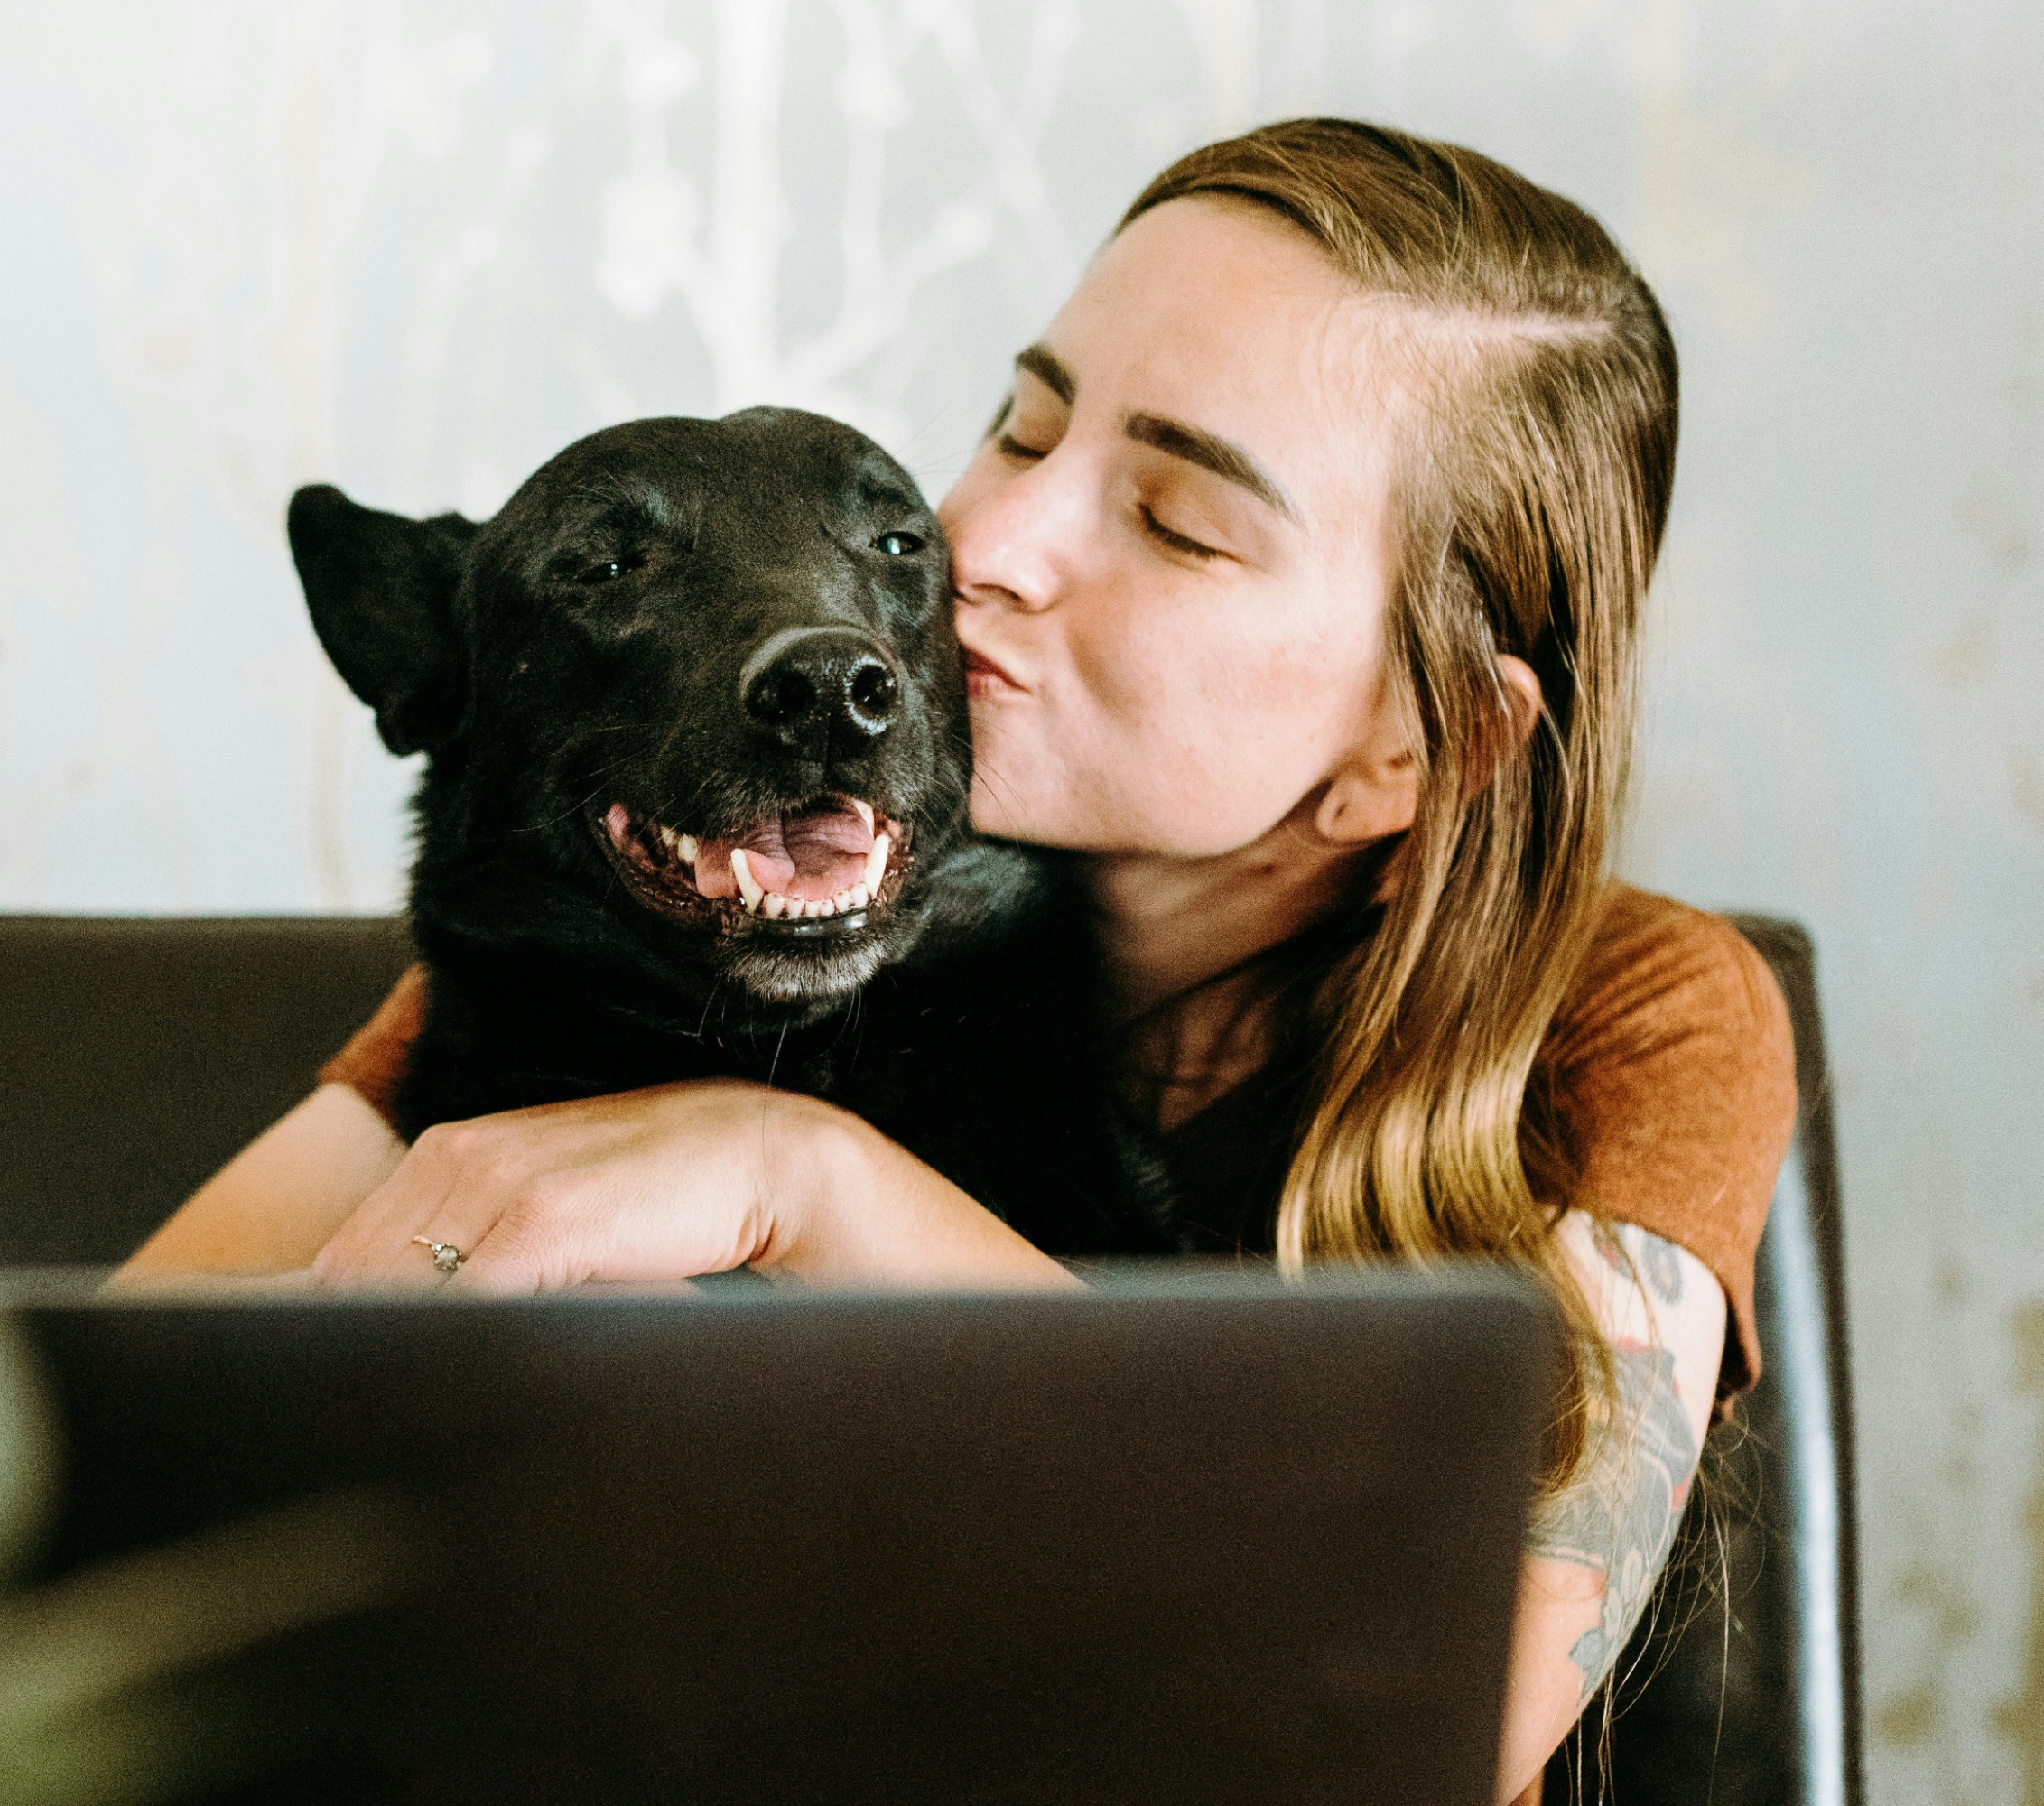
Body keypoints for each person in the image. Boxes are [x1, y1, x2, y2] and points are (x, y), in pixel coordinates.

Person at [121, 120, 1796, 1801]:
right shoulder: (690, 921)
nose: (984, 543)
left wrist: (796, 1175)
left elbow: (1441, 1705)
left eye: (1175, 518)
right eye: (1024, 423)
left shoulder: (1634, 1016)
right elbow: (95, 1463)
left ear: (1412, 748)